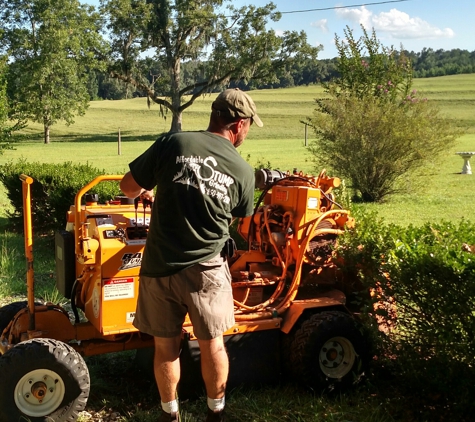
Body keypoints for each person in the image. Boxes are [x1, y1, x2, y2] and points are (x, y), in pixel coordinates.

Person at [120, 88, 263, 422]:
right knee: (213, 343)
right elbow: (232, 222)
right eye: (248, 126)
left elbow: (128, 187)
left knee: (165, 347)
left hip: (159, 267)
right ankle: (216, 413)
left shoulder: (175, 143)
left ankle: (170, 414)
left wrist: (150, 187)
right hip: (206, 271)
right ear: (239, 125)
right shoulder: (243, 171)